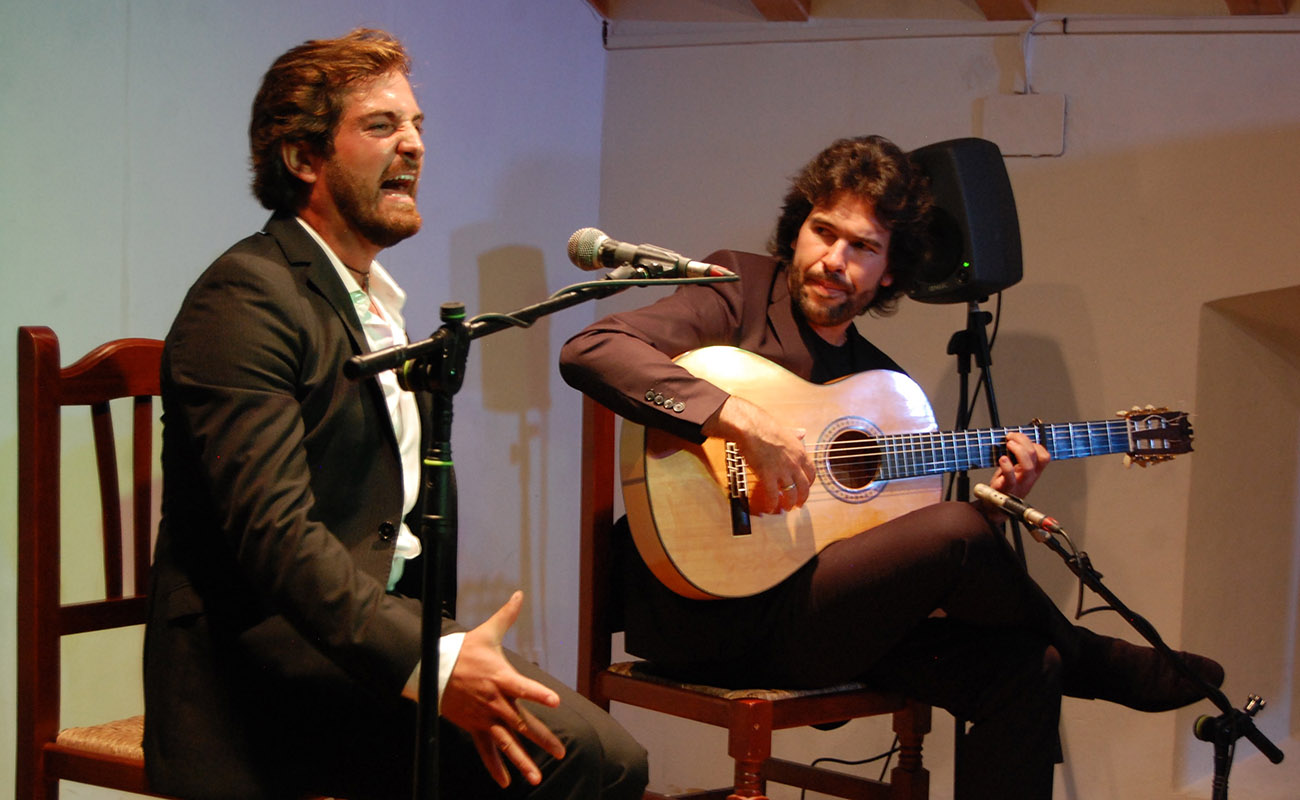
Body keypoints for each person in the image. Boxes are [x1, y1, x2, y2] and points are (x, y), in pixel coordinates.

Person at [558, 134, 1223, 798]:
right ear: (799, 230)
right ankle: (1098, 661)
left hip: (813, 620)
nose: (833, 259)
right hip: (703, 616)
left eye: (862, 248)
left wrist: (1000, 495)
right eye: (823, 232)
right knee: (962, 533)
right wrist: (735, 418)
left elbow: (882, 549)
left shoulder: (886, 392)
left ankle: (1069, 657)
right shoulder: (738, 291)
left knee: (1028, 663)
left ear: (891, 275)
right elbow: (593, 349)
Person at [143, 28, 647, 800]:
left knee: (604, 756)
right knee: (583, 758)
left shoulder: (370, 301)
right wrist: (432, 664)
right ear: (303, 158)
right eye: (381, 126)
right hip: (256, 677)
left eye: (416, 126)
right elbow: (275, 540)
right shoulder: (244, 299)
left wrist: (438, 641)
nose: (413, 146)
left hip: (350, 649)